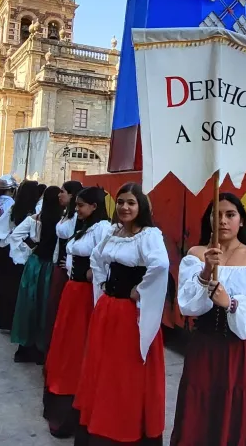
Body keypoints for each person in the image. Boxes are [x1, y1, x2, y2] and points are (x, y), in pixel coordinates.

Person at [170, 193, 246, 446]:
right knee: (201, 408)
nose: (223, 221)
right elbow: (186, 304)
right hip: (205, 348)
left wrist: (231, 303)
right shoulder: (196, 254)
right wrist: (206, 271)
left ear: (241, 221)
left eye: (230, 215)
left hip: (244, 350)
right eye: (216, 214)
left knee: (241, 410)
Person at [73, 183, 169, 445]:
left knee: (126, 374)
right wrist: (102, 282)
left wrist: (141, 288)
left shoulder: (149, 234)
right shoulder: (114, 232)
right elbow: (96, 258)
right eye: (121, 202)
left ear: (142, 206)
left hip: (131, 316)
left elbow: (160, 264)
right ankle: (102, 422)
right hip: (109, 309)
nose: (125, 207)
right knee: (104, 369)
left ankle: (123, 427)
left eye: (131, 202)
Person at [43, 186, 111, 437]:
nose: (78, 209)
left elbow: (104, 261)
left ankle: (76, 406)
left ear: (94, 206)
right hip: (74, 292)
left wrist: (94, 275)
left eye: (82, 205)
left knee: (76, 348)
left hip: (84, 295)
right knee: (66, 346)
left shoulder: (103, 228)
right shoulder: (87, 226)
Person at [10, 185, 63, 364]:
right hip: (50, 267)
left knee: (29, 305)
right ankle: (42, 349)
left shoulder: (36, 219)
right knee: (45, 307)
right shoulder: (64, 221)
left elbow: (15, 235)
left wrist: (29, 248)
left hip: (34, 265)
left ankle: (25, 348)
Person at [0, 180, 40, 333]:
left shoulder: (14, 208)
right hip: (26, 252)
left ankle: (5, 321)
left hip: (11, 250)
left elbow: (1, 228)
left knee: (9, 286)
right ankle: (16, 322)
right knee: (20, 288)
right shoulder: (36, 210)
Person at [45, 180, 82, 352]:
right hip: (58, 263)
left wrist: (68, 261)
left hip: (66, 268)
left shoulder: (76, 217)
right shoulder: (67, 214)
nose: (60, 195)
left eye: (63, 191)